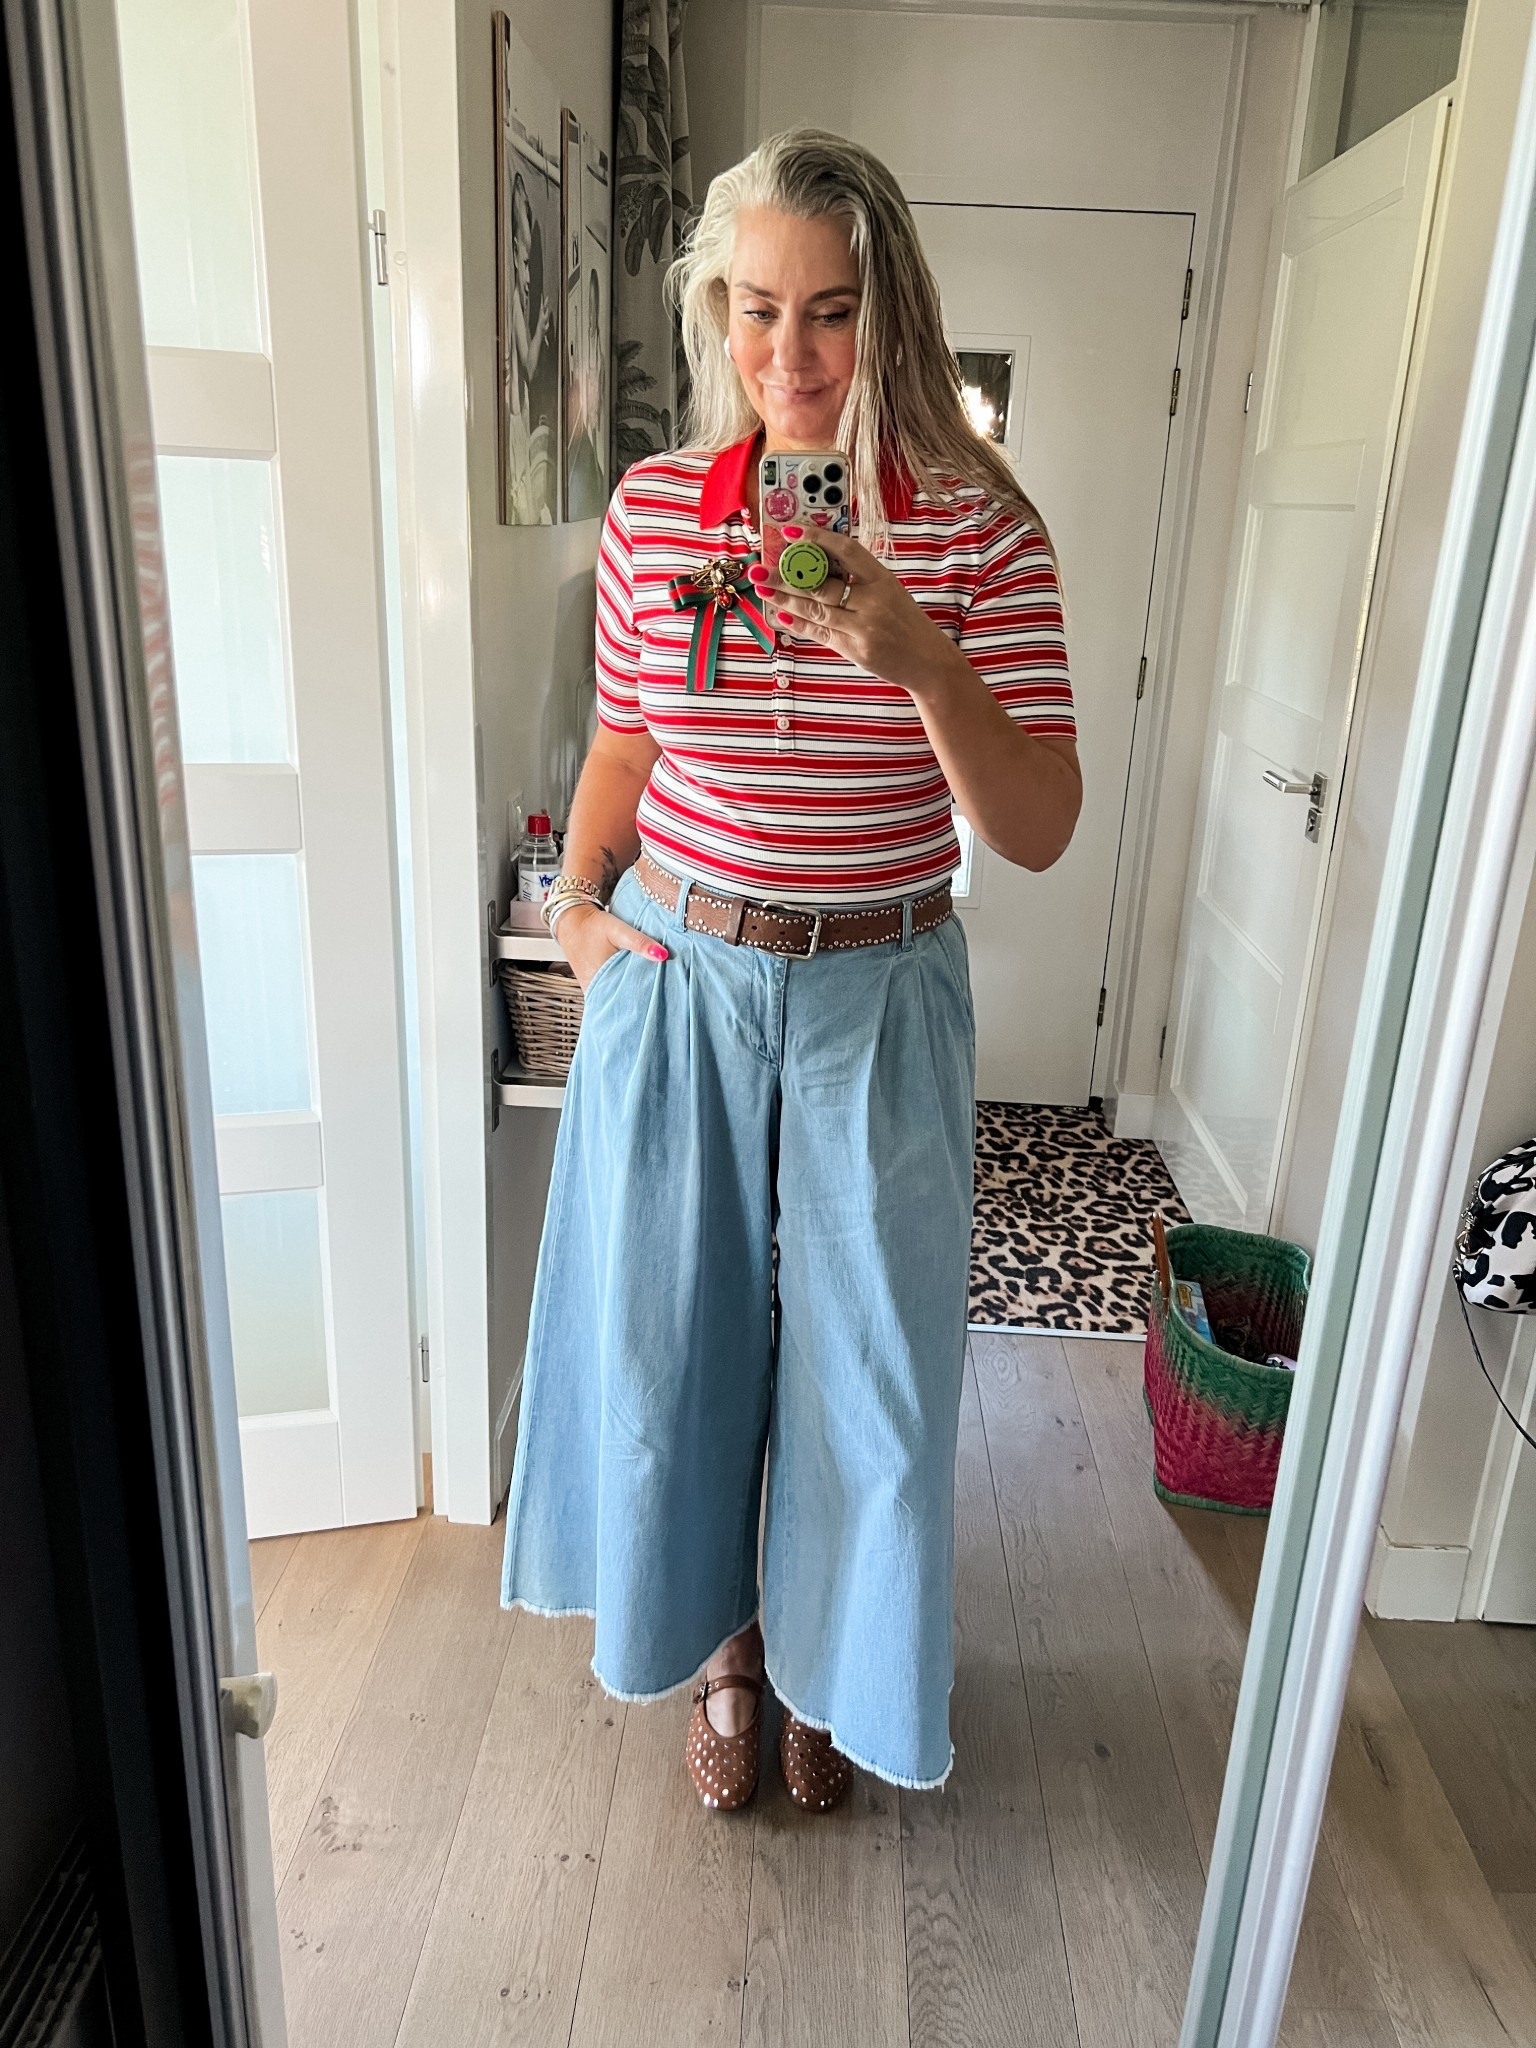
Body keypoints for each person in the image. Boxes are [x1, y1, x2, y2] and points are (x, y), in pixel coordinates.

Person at [500, 128, 1080, 1810]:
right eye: (756, 311)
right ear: (713, 310)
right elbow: (620, 743)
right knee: (678, 1358)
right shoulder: (661, 510)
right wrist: (581, 909)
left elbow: (1034, 822)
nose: (791, 360)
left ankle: (835, 1670)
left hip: (877, 1000)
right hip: (680, 984)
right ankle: (735, 1659)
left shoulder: (978, 534)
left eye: (830, 314)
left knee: (873, 1384)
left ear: (889, 316)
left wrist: (911, 650)